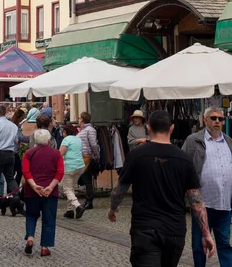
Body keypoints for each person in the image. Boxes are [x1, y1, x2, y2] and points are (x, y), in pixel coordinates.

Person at [108, 110, 215, 267]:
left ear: (148, 128)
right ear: (171, 128)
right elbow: (196, 200)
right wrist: (206, 234)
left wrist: (113, 208)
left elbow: (120, 189)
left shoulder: (137, 155)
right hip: (175, 231)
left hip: (144, 229)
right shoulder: (184, 159)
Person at [182, 106, 232, 267]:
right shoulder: (193, 140)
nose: (217, 121)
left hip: (225, 204)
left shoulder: (229, 141)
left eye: (220, 119)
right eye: (213, 118)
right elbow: (182, 166)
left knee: (224, 243)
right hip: (202, 204)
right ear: (205, 120)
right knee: (198, 245)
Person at [22, 129, 64, 257]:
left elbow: (25, 171)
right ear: (48, 140)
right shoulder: (56, 154)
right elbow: (60, 172)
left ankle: (30, 238)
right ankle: (45, 247)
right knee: (49, 219)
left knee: (31, 215)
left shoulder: (28, 153)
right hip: (50, 192)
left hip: (32, 191)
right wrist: (50, 187)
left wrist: (34, 186)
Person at [60, 124, 86, 219]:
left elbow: (61, 153)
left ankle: (78, 206)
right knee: (71, 188)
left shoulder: (66, 139)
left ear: (65, 132)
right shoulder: (78, 139)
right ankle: (69, 211)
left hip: (69, 167)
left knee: (67, 189)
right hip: (79, 166)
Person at [77, 112, 100, 210]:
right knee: (85, 179)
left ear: (82, 119)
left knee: (87, 179)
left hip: (87, 157)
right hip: (82, 157)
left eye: (79, 118)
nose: (78, 120)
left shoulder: (90, 130)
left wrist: (96, 155)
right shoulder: (83, 130)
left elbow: (93, 144)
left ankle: (89, 201)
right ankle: (88, 200)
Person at [12, 108, 30, 186]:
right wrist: (30, 138)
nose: (22, 120)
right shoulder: (16, 126)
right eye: (22, 118)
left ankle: (12, 188)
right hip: (14, 152)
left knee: (12, 172)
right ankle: (14, 188)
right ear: (19, 117)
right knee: (19, 171)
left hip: (12, 151)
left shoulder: (13, 124)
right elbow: (18, 138)